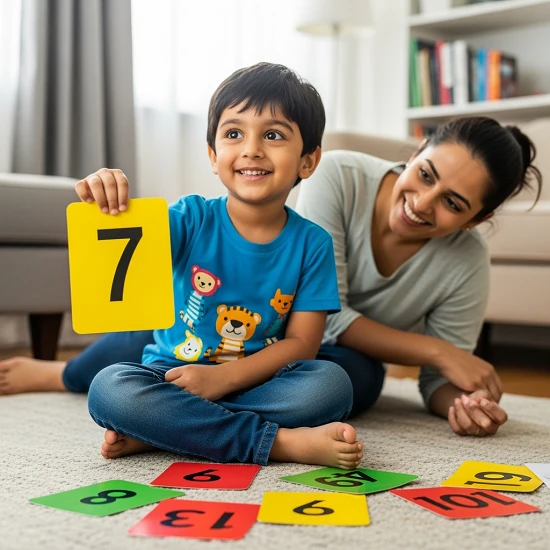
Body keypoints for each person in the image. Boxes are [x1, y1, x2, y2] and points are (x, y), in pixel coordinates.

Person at [0, 111, 541, 437]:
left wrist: (463, 405)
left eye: (452, 203)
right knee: (160, 329)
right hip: (234, 323)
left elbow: (431, 384)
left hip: (302, 353)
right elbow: (338, 320)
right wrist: (441, 351)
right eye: (424, 174)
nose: (420, 203)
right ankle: (61, 376)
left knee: (357, 381)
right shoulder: (342, 174)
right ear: (417, 149)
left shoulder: (465, 263)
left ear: (479, 219)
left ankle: (167, 421)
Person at [1, 62, 365, 469]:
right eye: (233, 134)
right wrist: (104, 194)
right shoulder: (189, 217)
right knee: (109, 388)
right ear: (213, 155)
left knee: (331, 388)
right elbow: (122, 247)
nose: (251, 149)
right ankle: (277, 443)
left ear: (308, 161)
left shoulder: (312, 243)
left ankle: (168, 431)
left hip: (255, 382)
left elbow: (302, 345)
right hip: (170, 376)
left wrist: (222, 379)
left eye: (274, 135)